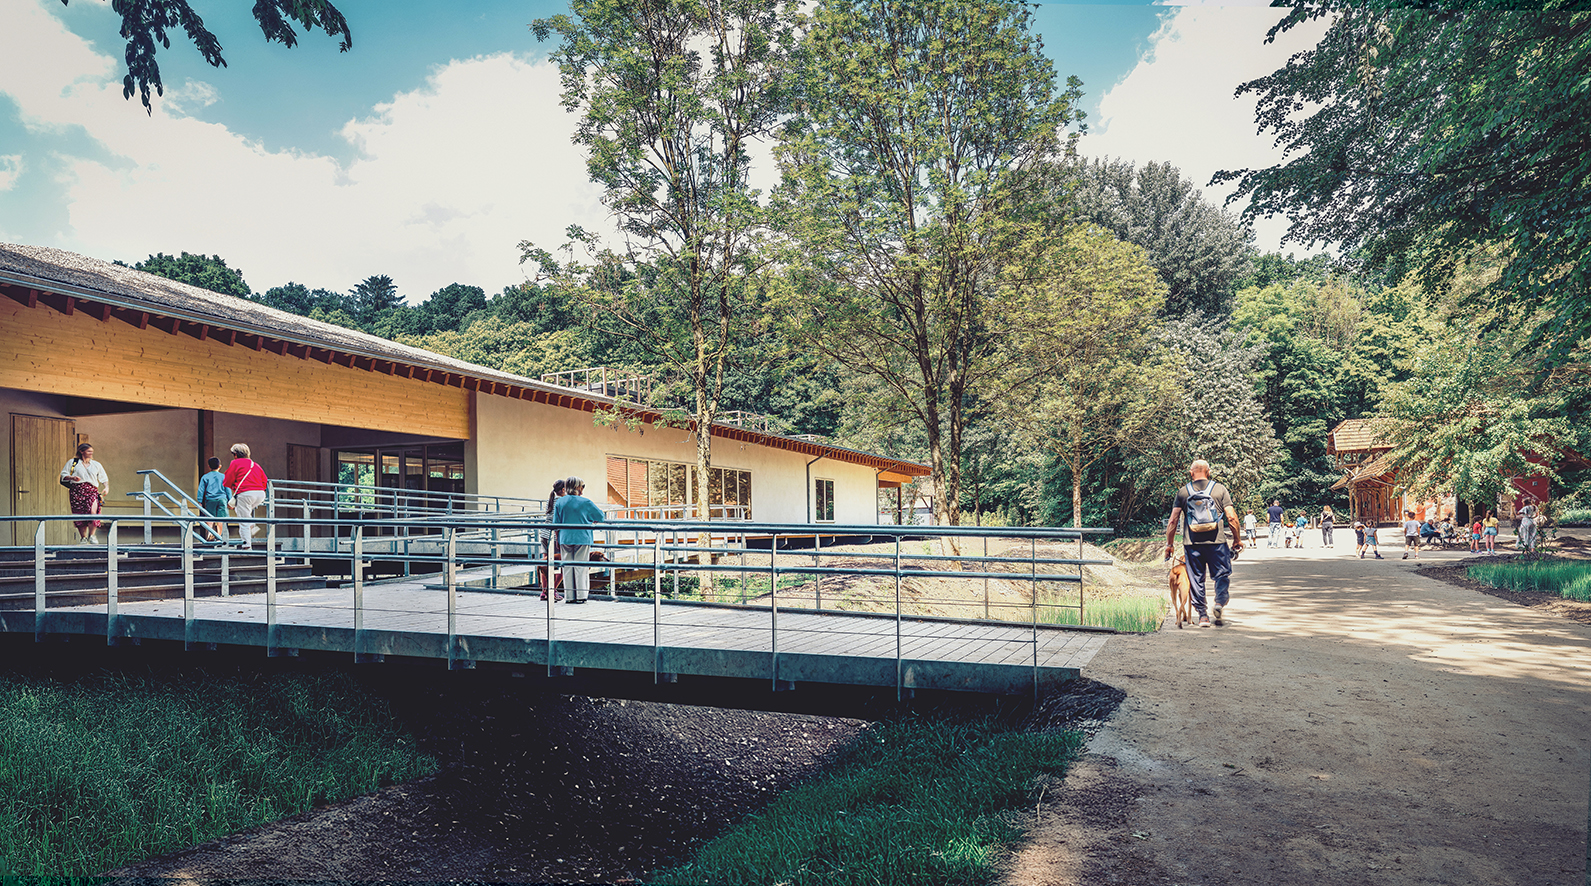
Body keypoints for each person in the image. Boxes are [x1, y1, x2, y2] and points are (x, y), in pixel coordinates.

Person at [1162, 460, 1245, 628]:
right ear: (1208, 472)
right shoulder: (1220, 489)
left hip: (1192, 544)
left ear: (1191, 473)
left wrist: (1169, 544)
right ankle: (1219, 603)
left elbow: (1172, 521)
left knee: (1196, 579)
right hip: (1217, 543)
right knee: (1221, 575)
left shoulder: (1183, 492)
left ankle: (1202, 616)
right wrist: (1237, 539)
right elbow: (1231, 517)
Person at [551, 476, 606, 603]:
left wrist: (558, 539)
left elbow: (555, 524)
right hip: (582, 537)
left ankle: (569, 597)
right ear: (577, 487)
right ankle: (581, 596)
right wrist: (591, 519)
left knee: (567, 567)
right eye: (582, 486)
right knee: (581, 567)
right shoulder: (586, 502)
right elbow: (600, 516)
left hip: (565, 538)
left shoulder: (560, 502)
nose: (583, 488)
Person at [60, 442, 109, 544]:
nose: (91, 453)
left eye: (92, 451)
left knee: (93, 511)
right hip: (77, 490)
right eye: (88, 451)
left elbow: (103, 477)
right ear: (82, 451)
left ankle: (92, 535)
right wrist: (72, 477)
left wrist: (106, 487)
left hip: (92, 490)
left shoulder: (96, 464)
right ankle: (83, 538)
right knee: (79, 513)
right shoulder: (73, 462)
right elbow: (64, 474)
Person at [222, 443, 269, 549]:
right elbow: (264, 480)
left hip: (246, 493)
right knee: (242, 511)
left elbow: (228, 479)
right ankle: (252, 525)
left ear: (235, 454)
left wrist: (231, 486)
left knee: (243, 520)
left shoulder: (235, 463)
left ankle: (246, 544)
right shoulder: (255, 464)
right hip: (260, 494)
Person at [538, 479, 567, 601]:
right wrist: (558, 539)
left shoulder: (550, 500)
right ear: (564, 490)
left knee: (546, 565)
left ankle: (544, 592)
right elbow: (558, 522)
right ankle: (553, 590)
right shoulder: (562, 501)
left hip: (544, 534)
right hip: (555, 535)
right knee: (563, 564)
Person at [196, 456, 228, 543]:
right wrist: (229, 500)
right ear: (220, 466)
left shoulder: (205, 477)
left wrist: (199, 501)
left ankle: (210, 534)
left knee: (210, 517)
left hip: (210, 499)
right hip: (222, 499)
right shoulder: (224, 476)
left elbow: (201, 490)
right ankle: (219, 536)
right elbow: (227, 489)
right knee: (221, 519)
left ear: (209, 466)